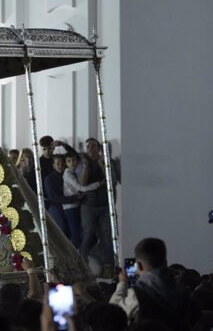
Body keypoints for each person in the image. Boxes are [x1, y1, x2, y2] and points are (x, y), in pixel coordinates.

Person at [109, 238, 191, 330]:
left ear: (138, 265)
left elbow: (112, 315)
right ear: (165, 263)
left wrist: (122, 284)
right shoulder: (182, 290)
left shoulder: (137, 293)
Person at [79, 138, 113, 273]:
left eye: (93, 146)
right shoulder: (83, 163)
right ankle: (82, 265)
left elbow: (111, 179)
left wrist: (101, 164)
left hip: (104, 205)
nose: (91, 149)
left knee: (106, 236)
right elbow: (82, 183)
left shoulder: (106, 162)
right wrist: (86, 166)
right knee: (88, 234)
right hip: (89, 205)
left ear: (99, 148)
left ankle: (108, 268)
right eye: (88, 147)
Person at [63, 151, 103, 249]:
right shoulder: (68, 174)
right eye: (69, 161)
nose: (72, 162)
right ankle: (76, 257)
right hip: (70, 207)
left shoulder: (74, 172)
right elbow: (81, 188)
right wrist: (99, 184)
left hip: (77, 204)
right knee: (75, 232)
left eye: (73, 160)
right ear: (66, 163)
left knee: (82, 231)